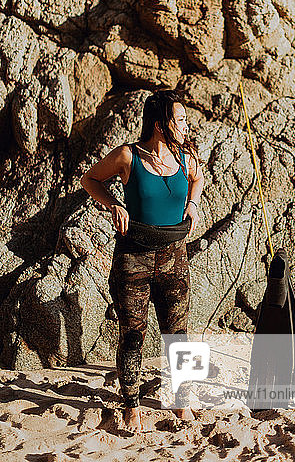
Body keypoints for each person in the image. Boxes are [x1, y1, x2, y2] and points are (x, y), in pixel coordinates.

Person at [80, 89, 205, 432]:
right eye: (179, 119)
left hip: (175, 258)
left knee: (178, 334)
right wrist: (113, 204)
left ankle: (181, 398)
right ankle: (131, 405)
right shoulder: (127, 156)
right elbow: (89, 179)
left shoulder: (186, 158)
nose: (185, 125)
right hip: (133, 258)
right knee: (133, 334)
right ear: (161, 124)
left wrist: (192, 203)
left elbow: (198, 179)